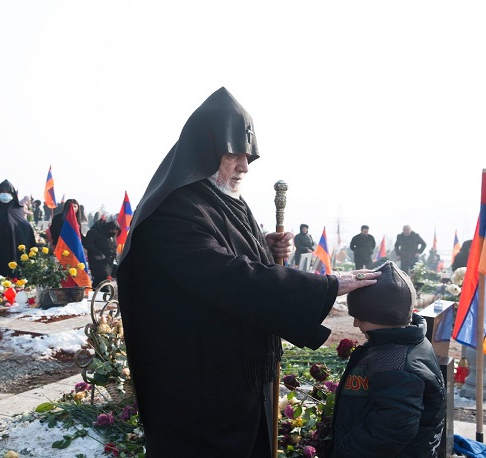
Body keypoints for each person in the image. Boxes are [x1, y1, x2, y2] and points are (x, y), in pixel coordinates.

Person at [116, 87, 381, 456]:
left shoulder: (226, 201)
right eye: (234, 155)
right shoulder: (174, 209)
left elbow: (236, 257)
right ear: (205, 152)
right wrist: (327, 285)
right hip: (200, 388)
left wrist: (265, 247)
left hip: (239, 377)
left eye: (248, 156)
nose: (244, 166)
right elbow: (229, 277)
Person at [330, 260, 446, 457]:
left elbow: (390, 430)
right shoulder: (402, 343)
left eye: (361, 317)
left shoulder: (398, 367)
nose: (356, 324)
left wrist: (345, 451)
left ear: (383, 317)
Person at [83, 219, 120, 286]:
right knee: (102, 278)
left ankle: (97, 290)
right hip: (98, 260)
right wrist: (98, 253)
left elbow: (113, 246)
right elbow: (87, 243)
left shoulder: (112, 235)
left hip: (109, 261)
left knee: (100, 280)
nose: (114, 233)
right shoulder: (95, 232)